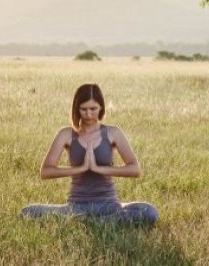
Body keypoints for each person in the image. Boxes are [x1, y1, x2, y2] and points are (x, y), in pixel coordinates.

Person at [21, 83, 159, 225]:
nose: (88, 114)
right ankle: (94, 221)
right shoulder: (66, 134)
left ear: (101, 108)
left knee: (149, 211)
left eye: (93, 109)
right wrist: (81, 168)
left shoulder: (113, 133)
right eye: (83, 109)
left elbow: (135, 169)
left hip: (109, 205)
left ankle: (92, 222)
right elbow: (45, 171)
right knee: (27, 211)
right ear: (76, 108)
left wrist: (98, 169)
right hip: (77, 205)